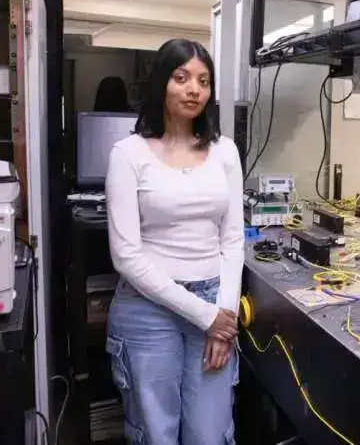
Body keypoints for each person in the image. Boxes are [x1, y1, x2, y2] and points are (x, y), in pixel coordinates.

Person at [104, 38, 244, 445]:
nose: (193, 89)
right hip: (147, 310)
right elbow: (126, 256)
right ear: (161, 84)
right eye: (181, 78)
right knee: (156, 435)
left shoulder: (225, 152)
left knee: (209, 435)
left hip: (214, 303)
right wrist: (207, 317)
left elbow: (233, 240)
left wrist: (223, 319)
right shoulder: (128, 153)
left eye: (203, 80)